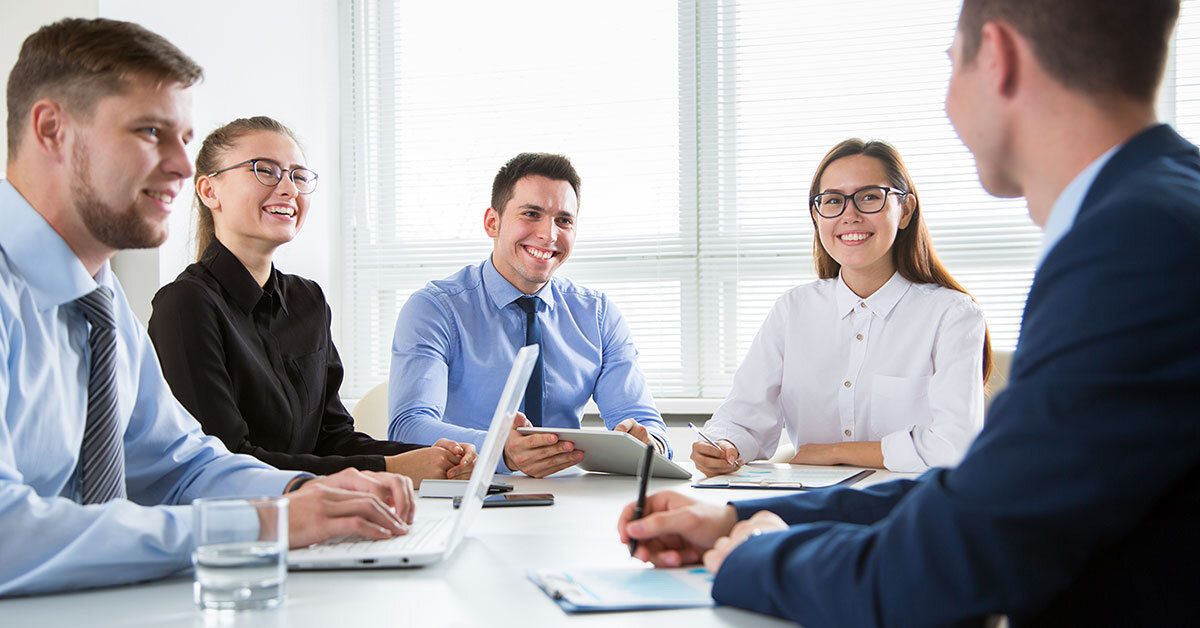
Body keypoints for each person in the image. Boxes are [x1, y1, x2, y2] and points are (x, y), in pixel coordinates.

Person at [618, 0, 1198, 624]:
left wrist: (755, 559)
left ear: (998, 58)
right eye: (830, 203)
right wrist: (733, 516)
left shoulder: (1135, 242)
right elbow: (983, 494)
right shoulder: (1155, 211)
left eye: (953, 66)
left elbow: (973, 549)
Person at [0, 18, 417, 598]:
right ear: (52, 129)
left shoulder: (100, 299)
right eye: (151, 131)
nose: (180, 163)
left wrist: (302, 495)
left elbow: (178, 465)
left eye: (184, 139)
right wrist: (263, 523)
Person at [147, 116, 476, 486]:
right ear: (209, 191)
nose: (289, 189)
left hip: (323, 520)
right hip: (245, 530)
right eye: (265, 171)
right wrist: (392, 470)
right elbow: (226, 463)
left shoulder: (308, 300)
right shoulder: (184, 306)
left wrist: (430, 458)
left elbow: (332, 439)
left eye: (298, 176)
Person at [693, 139, 990, 476]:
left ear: (904, 210)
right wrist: (725, 445)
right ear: (817, 216)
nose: (850, 215)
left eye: (869, 197)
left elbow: (954, 448)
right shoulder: (793, 310)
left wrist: (835, 452)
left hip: (909, 507)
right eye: (833, 201)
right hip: (807, 502)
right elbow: (743, 418)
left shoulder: (952, 314)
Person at [389, 152, 671, 478]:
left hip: (568, 497)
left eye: (564, 220)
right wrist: (501, 450)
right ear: (492, 223)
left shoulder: (597, 315)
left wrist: (650, 443)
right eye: (531, 213)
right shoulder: (435, 308)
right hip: (468, 491)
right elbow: (407, 429)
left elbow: (643, 421)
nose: (549, 234)